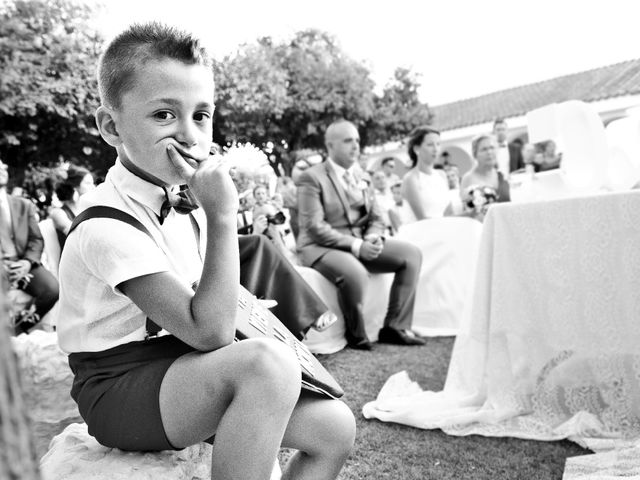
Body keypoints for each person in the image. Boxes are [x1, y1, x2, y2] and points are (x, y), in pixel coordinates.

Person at [56, 23, 354, 479]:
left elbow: (212, 302)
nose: (189, 135)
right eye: (163, 115)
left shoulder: (186, 195)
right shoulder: (104, 224)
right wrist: (221, 215)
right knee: (263, 366)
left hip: (181, 366)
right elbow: (209, 331)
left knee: (335, 428)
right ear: (110, 126)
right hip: (117, 385)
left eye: (201, 115)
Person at [296, 119, 425, 350]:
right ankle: (356, 334)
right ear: (330, 145)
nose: (355, 146)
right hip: (320, 246)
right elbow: (314, 226)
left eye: (357, 140)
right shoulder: (312, 177)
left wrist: (372, 237)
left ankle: (394, 326)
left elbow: (377, 217)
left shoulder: (363, 176)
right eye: (348, 141)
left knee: (411, 255)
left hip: (359, 242)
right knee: (355, 272)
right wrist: (356, 245)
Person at [0, 159, 59, 334]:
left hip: (23, 262)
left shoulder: (23, 205)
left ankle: (15, 330)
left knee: (52, 289)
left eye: (3, 165)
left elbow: (36, 240)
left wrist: (27, 262)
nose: (3, 168)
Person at [49, 165, 95, 250]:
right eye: (88, 183)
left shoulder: (90, 210)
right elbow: (77, 236)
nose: (93, 187)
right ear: (75, 187)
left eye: (93, 183)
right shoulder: (58, 213)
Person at [460, 133, 511, 204]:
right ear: (475, 154)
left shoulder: (502, 176)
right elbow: (467, 208)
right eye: (484, 149)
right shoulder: (468, 178)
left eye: (492, 148)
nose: (489, 152)